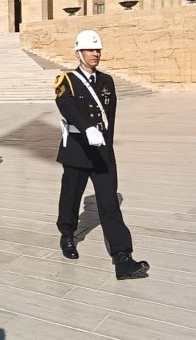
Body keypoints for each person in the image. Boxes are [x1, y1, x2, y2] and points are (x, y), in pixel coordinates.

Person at [53, 29, 149, 280]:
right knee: (71, 196)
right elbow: (66, 106)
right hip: (77, 149)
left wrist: (106, 143)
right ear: (79, 53)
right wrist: (86, 128)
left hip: (102, 151)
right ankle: (67, 235)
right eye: (91, 50)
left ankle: (122, 257)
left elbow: (111, 115)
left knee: (109, 203)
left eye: (98, 50)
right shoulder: (67, 80)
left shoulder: (107, 81)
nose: (96, 54)